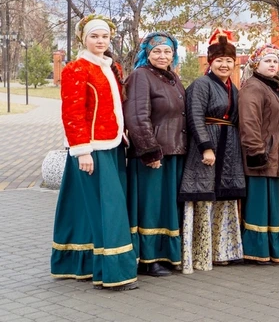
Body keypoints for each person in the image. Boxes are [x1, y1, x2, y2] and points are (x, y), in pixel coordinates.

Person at [51, 15, 138, 291]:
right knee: (107, 209)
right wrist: (82, 151)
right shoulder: (76, 69)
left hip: (112, 146)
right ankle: (113, 272)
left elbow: (113, 107)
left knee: (94, 208)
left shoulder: (111, 67)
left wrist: (122, 133)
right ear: (84, 39)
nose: (100, 41)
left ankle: (91, 266)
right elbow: (72, 113)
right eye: (94, 36)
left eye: (104, 37)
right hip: (92, 150)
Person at [178, 30, 245, 274]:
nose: (224, 65)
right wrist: (206, 146)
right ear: (210, 62)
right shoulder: (201, 85)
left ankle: (222, 251)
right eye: (219, 60)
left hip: (229, 146)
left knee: (224, 197)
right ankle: (200, 254)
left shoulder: (233, 88)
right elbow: (195, 116)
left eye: (229, 60)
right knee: (202, 195)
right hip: (207, 146)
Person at [123, 31, 186, 277]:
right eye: (156, 51)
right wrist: (150, 151)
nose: (162, 56)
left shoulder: (173, 78)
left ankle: (166, 254)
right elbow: (137, 116)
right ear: (147, 54)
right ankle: (148, 259)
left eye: (167, 51)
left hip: (173, 152)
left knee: (165, 207)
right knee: (150, 207)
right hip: (152, 154)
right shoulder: (141, 76)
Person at [238, 43, 279, 264]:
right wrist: (257, 151)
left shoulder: (272, 86)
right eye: (267, 61)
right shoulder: (253, 87)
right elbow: (249, 121)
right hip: (261, 156)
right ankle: (256, 250)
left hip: (274, 155)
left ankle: (271, 249)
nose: (272, 65)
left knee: (270, 205)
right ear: (256, 64)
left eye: (275, 61)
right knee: (259, 205)